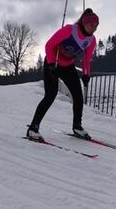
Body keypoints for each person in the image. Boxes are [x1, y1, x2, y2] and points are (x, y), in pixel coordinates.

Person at [27, 8, 99, 141]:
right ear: (84, 23)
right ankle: (33, 128)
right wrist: (51, 64)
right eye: (91, 25)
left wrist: (86, 74)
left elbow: (86, 59)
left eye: (96, 25)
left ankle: (77, 127)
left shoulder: (91, 40)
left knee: (78, 96)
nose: (94, 28)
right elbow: (49, 45)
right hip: (53, 64)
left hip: (67, 66)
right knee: (50, 95)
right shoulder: (69, 30)